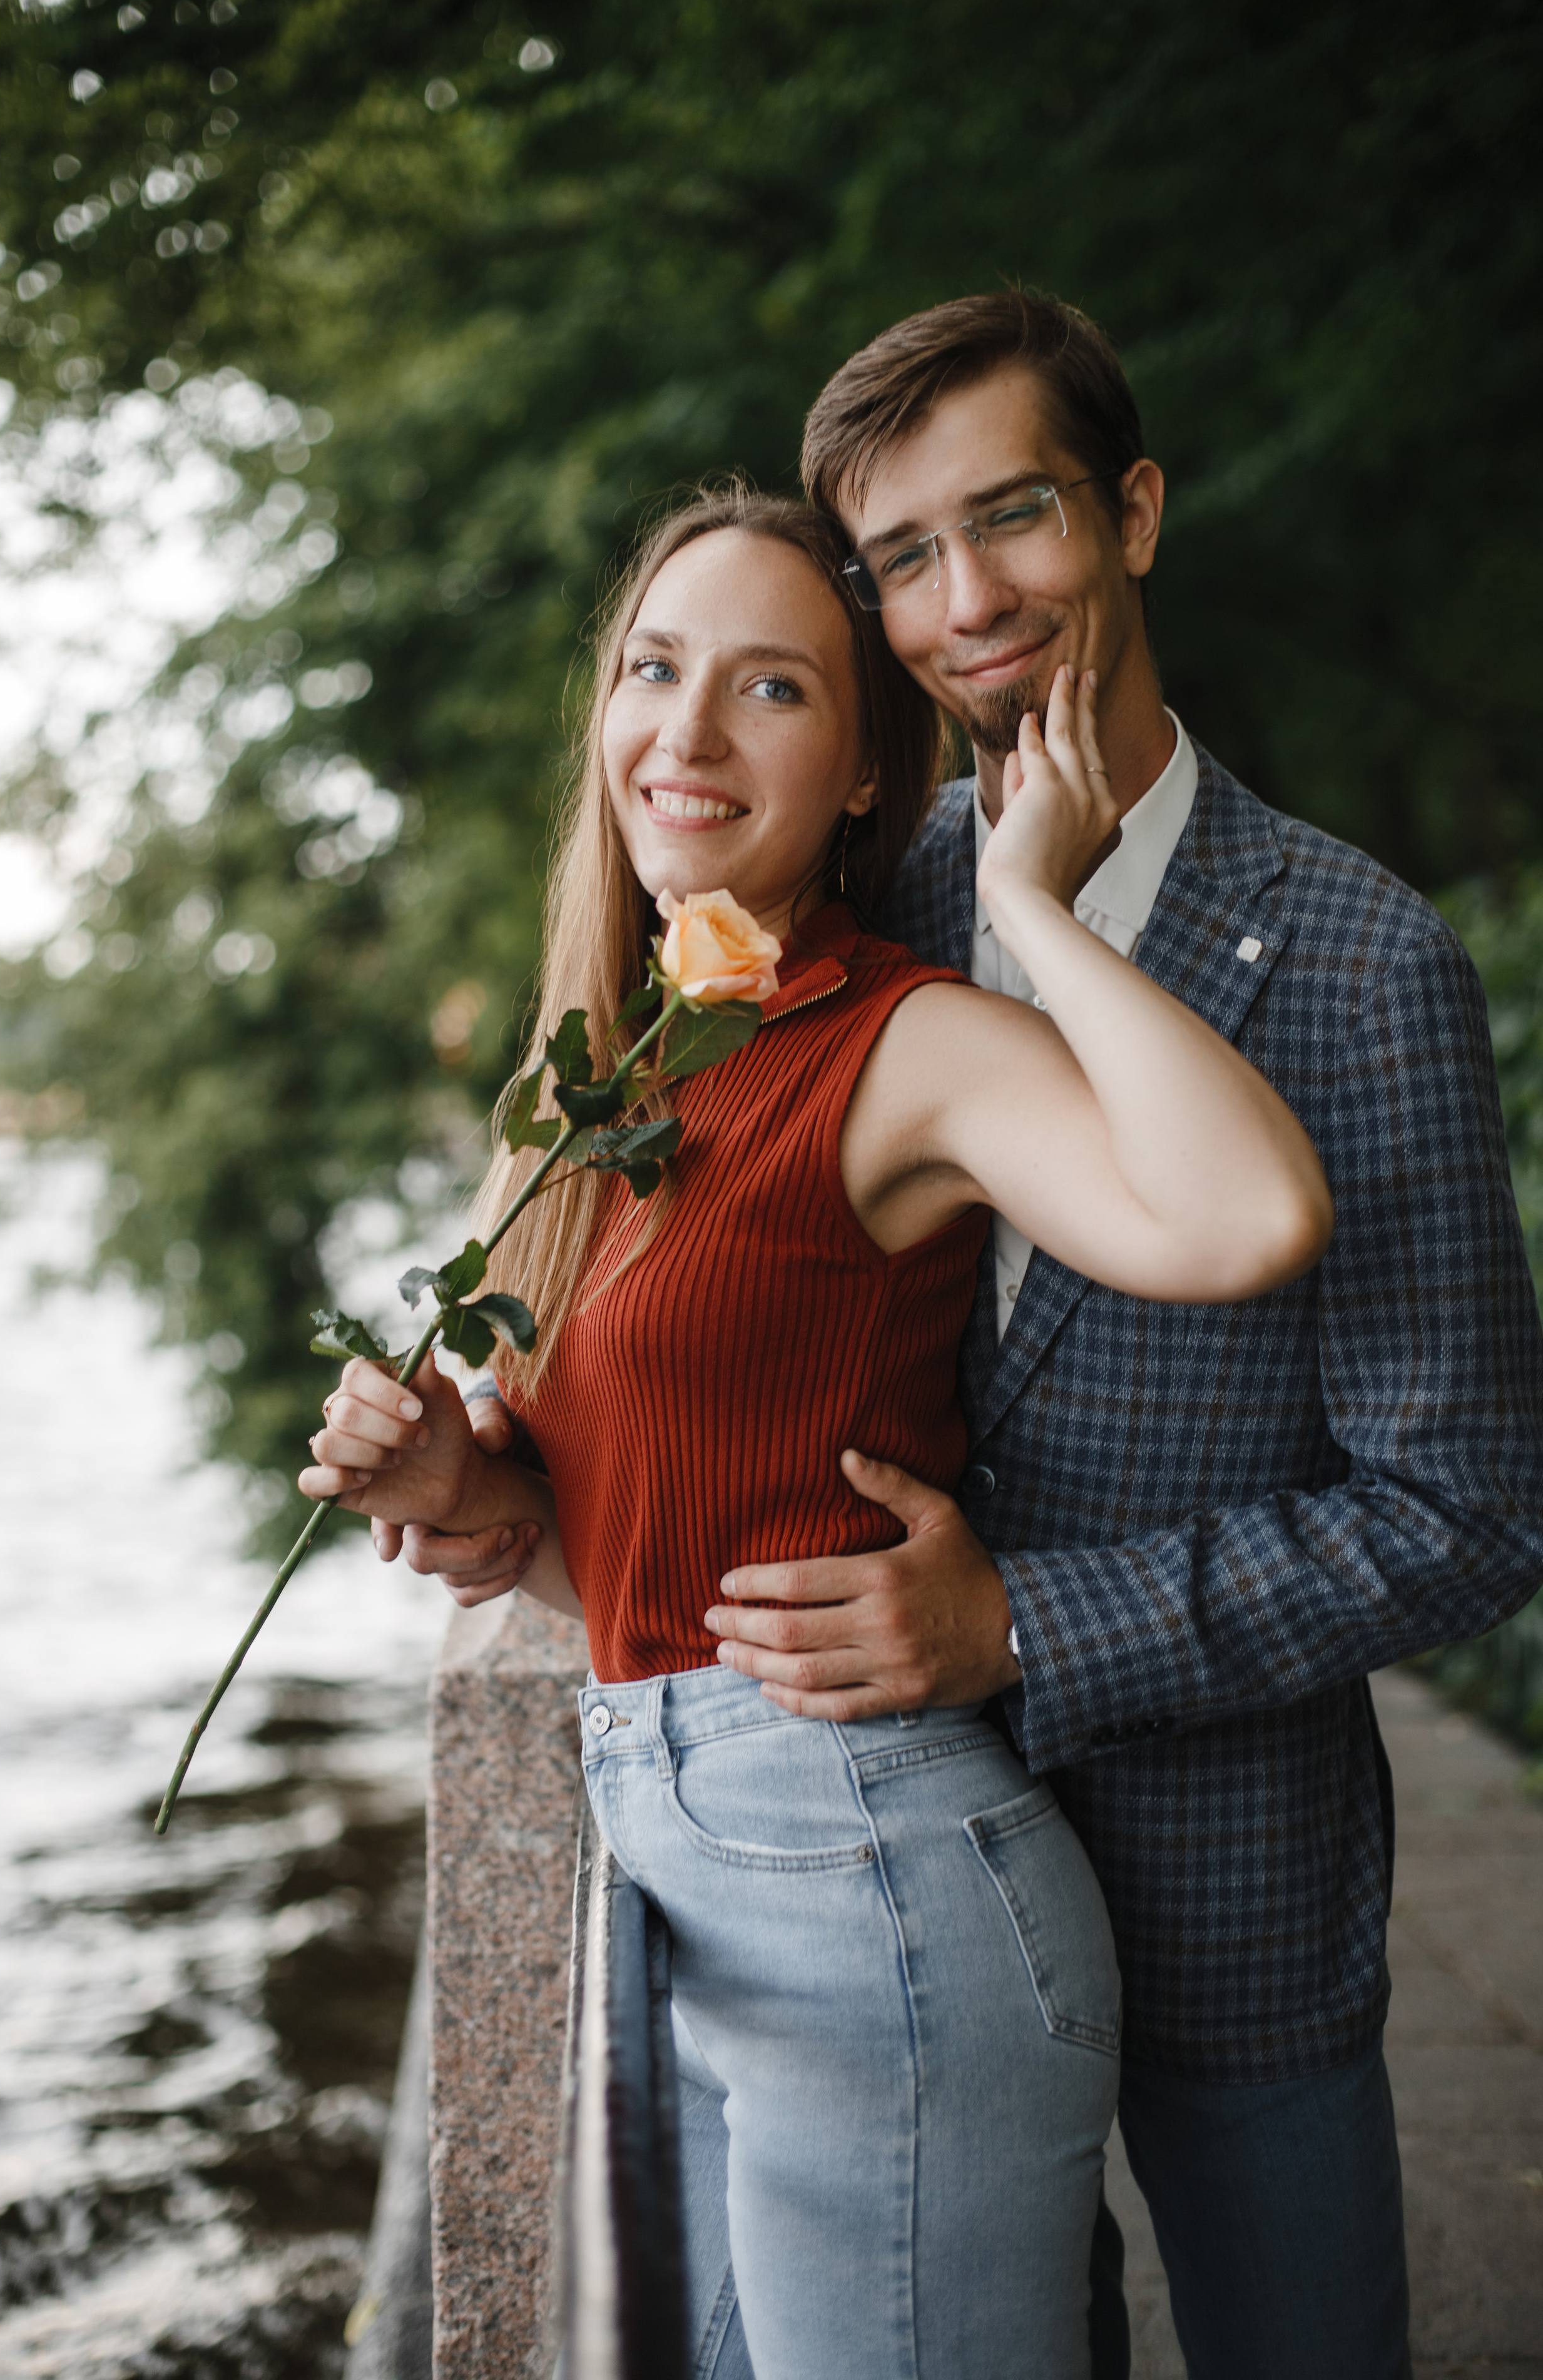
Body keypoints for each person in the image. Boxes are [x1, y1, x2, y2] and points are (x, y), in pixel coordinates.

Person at [300, 484, 1332, 2377]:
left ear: (866, 773)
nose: (688, 731)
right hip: (688, 1892)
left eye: (771, 688)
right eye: (654, 669)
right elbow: (623, 1568)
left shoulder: (897, 1044)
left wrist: (1029, 904)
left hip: (872, 1901)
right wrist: (463, 1484)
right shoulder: (577, 1094)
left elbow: (1250, 1216)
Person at [684, 293, 1542, 2377]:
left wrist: (1023, 1628)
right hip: (910, 1887)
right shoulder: (850, 918)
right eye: (902, 557)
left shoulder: (1361, 963)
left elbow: (1471, 1510)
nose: (967, 601)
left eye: (1016, 517)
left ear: (1133, 513)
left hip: (1238, 1893)